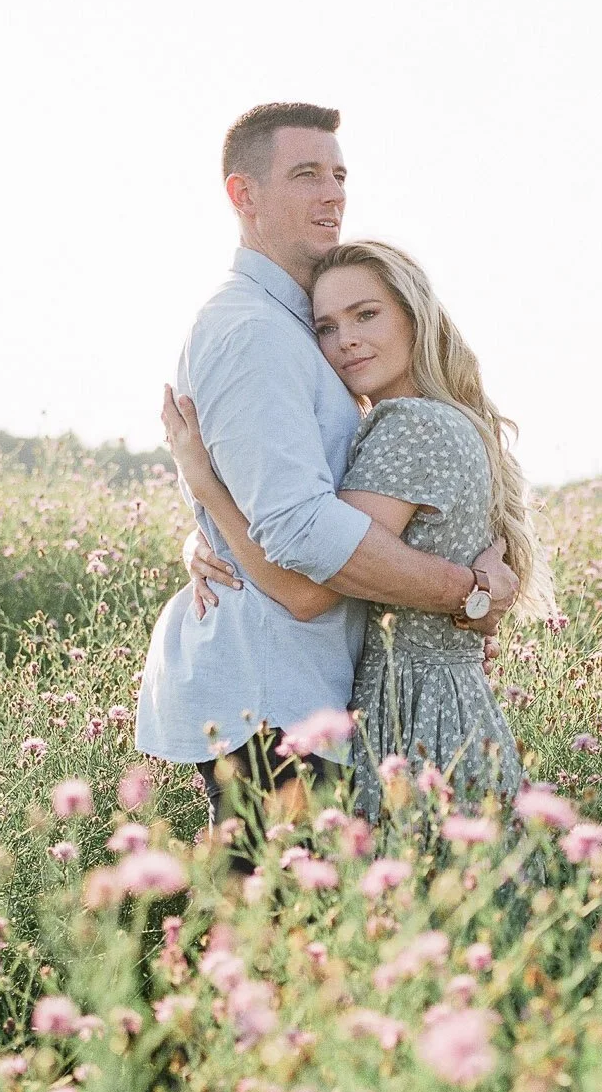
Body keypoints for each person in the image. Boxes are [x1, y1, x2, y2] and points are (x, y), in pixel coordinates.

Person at [135, 104, 519, 854]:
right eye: (305, 174)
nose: (333, 193)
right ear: (242, 195)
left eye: (339, 175)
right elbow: (302, 542)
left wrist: (207, 515)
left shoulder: (295, 327)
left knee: (295, 944)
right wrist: (465, 592)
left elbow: (281, 499)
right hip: (272, 694)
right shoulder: (254, 332)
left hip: (313, 696)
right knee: (277, 945)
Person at [162, 239, 552, 818]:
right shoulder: (438, 420)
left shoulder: (408, 427)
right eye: (325, 327)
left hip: (414, 718)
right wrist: (204, 541)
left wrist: (206, 486)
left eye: (366, 314)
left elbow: (310, 586)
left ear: (415, 318)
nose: (344, 340)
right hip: (450, 708)